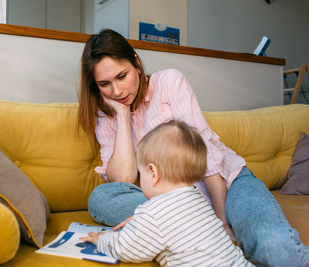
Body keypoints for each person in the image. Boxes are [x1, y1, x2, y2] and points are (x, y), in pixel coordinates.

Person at [77, 29, 309, 266]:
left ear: (136, 63)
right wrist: (123, 114)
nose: (117, 92)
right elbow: (123, 180)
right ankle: (162, 226)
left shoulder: (169, 82)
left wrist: (221, 224)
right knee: (102, 198)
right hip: (172, 204)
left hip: (226, 183)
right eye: (105, 84)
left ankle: (171, 227)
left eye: (122, 76)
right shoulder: (106, 113)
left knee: (276, 248)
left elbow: (207, 156)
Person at [81, 120, 254, 266]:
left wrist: (101, 240)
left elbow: (126, 249)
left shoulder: (152, 212)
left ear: (153, 173)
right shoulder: (198, 199)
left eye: (141, 173)